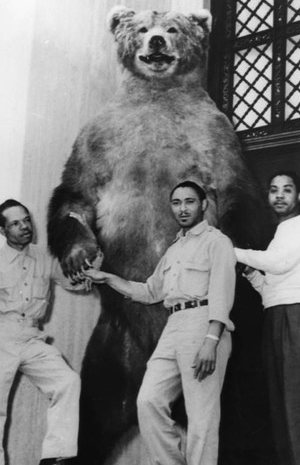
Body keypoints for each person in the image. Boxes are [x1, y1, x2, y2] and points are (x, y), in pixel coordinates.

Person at [84, 180, 236, 465]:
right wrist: (109, 279)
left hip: (204, 325)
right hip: (174, 325)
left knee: (201, 418)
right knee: (148, 401)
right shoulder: (174, 249)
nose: (182, 208)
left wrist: (211, 341)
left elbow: (221, 294)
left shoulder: (217, 242)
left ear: (203, 205)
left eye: (189, 201)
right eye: (176, 203)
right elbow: (151, 291)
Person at [0, 199, 90, 465]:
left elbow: (76, 282)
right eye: (15, 223)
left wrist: (89, 260)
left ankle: (55, 456)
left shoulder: (45, 256)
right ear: (3, 231)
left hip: (31, 335)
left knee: (67, 382)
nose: (25, 227)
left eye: (26, 220)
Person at [234, 171, 300, 465]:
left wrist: (231, 250)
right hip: (277, 316)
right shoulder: (280, 233)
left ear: (299, 196)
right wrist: (250, 274)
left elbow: (278, 264)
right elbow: (271, 291)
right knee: (281, 405)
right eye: (273, 190)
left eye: (287, 190)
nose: (279, 195)